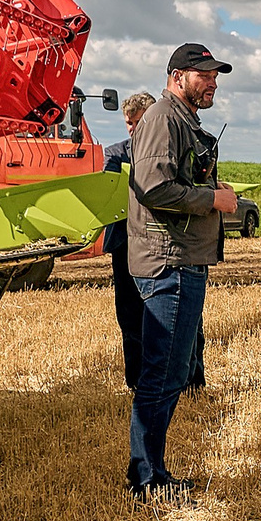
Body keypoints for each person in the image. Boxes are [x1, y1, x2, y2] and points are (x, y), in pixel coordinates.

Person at [125, 43, 243, 500]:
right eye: (203, 75)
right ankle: (146, 478)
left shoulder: (182, 120)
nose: (212, 83)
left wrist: (211, 187)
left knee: (172, 373)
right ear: (177, 77)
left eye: (215, 76)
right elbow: (154, 187)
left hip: (182, 260)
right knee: (162, 375)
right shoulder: (163, 119)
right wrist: (212, 199)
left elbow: (176, 181)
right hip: (169, 263)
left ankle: (151, 470)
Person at [101, 92, 156, 389]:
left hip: (158, 243)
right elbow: (109, 196)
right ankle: (135, 381)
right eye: (129, 123)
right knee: (130, 314)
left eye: (138, 122)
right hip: (124, 243)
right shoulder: (115, 154)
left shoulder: (166, 152)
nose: (133, 128)